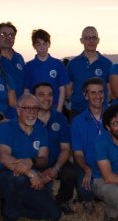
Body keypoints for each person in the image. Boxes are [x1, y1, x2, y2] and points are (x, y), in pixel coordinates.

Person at [0, 93, 61, 221]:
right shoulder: (6, 127)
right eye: (27, 108)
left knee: (54, 214)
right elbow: (4, 158)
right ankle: (10, 217)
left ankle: (9, 205)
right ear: (19, 111)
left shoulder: (41, 130)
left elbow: (44, 158)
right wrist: (32, 173)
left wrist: (32, 162)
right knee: (19, 178)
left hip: (25, 181)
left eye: (35, 109)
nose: (32, 112)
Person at [32, 82, 85, 214]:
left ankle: (62, 200)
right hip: (33, 163)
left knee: (71, 172)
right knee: (41, 206)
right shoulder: (28, 118)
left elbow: (66, 148)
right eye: (41, 95)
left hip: (56, 162)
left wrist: (56, 168)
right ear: (33, 98)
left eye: (50, 95)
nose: (47, 98)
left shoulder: (60, 118)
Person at [70, 77, 107, 214]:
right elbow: (78, 154)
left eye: (100, 92)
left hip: (111, 168)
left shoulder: (114, 117)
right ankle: (88, 197)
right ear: (86, 96)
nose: (98, 96)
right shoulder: (77, 122)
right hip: (90, 168)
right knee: (85, 189)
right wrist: (86, 168)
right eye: (93, 93)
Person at [66, 26, 113, 120]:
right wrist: (79, 101)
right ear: (81, 40)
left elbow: (110, 91)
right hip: (78, 112)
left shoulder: (107, 64)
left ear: (98, 40)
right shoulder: (73, 64)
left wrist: (99, 104)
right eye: (87, 38)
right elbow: (68, 90)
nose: (91, 41)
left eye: (94, 38)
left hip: (101, 113)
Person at [22, 29, 68, 110]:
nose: (42, 47)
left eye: (45, 43)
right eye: (38, 44)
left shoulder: (58, 64)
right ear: (34, 46)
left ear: (49, 44)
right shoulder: (29, 66)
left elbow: (62, 89)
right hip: (35, 108)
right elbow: (26, 90)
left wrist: (59, 110)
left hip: (54, 106)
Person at [0, 22, 26, 95]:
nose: (8, 38)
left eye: (11, 35)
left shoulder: (19, 58)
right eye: (3, 34)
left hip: (20, 101)